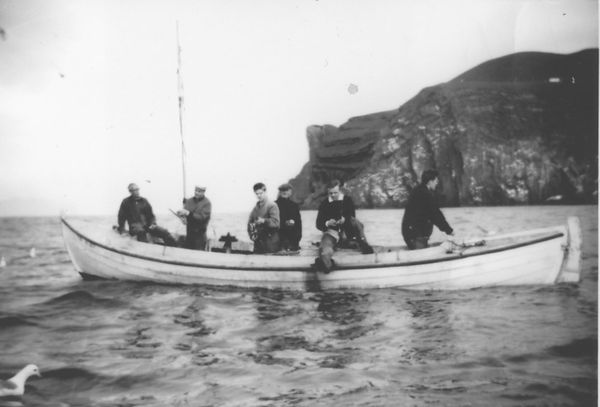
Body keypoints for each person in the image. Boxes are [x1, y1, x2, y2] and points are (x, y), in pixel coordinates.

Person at [315, 179, 374, 272]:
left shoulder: (347, 200)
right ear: (328, 192)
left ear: (340, 190)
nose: (333, 195)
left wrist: (345, 220)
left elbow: (352, 218)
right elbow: (318, 224)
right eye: (330, 193)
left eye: (335, 193)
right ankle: (327, 265)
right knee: (324, 251)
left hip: (347, 233)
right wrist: (327, 223)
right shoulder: (324, 203)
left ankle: (364, 245)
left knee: (355, 222)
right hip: (331, 233)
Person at [401, 169, 454, 250]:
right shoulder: (425, 194)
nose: (437, 183)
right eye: (436, 180)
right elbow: (436, 215)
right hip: (416, 236)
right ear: (430, 181)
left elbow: (434, 215)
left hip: (411, 234)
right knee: (420, 252)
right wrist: (449, 231)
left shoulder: (418, 190)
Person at [247, 182, 281, 254]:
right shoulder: (255, 208)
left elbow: (276, 223)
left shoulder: (272, 205)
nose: (259, 195)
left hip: (271, 243)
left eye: (261, 193)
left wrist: (264, 221)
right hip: (258, 243)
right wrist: (251, 235)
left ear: (265, 192)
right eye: (257, 194)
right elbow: (249, 223)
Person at [177, 185, 212, 250]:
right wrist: (182, 217)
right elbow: (184, 213)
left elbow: (202, 218)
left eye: (199, 191)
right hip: (189, 234)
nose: (196, 193)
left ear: (203, 192)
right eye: (196, 191)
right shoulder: (189, 201)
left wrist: (188, 213)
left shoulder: (207, 203)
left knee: (199, 253)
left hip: (200, 235)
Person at [275, 183, 302, 251]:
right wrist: (285, 223)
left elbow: (299, 224)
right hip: (279, 238)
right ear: (279, 192)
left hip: (292, 239)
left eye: (287, 190)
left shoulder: (294, 206)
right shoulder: (274, 205)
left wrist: (297, 239)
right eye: (282, 190)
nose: (285, 192)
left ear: (290, 192)